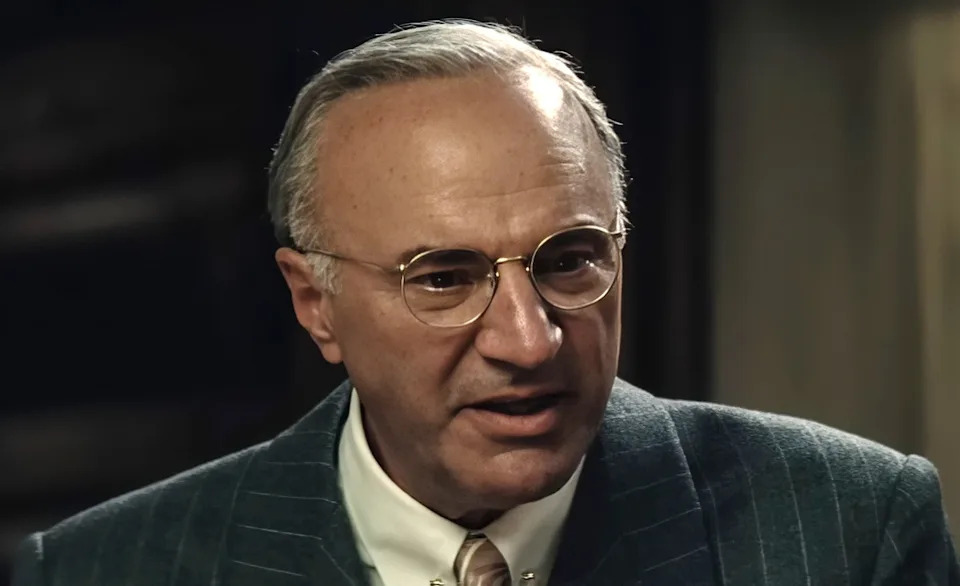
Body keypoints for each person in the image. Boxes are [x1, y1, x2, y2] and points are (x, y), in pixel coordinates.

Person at [13, 19, 959, 586]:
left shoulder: (848, 530)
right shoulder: (109, 568)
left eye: (570, 260)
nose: (528, 338)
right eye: (444, 279)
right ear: (317, 304)